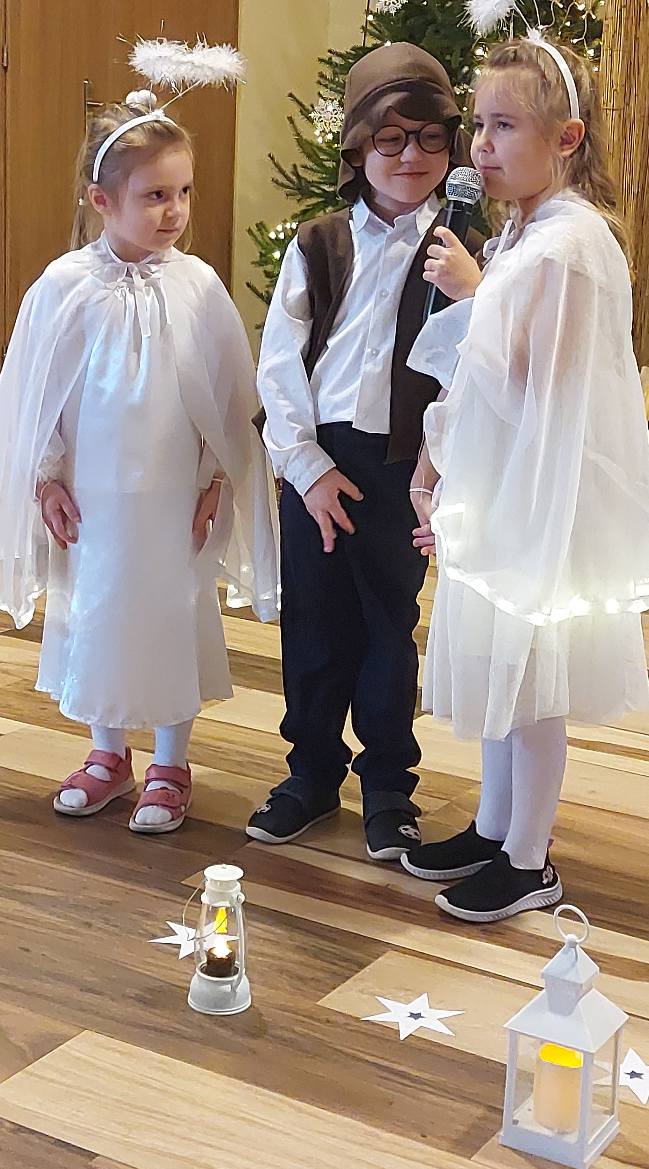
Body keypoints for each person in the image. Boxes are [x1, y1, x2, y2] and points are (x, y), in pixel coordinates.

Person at [401, 35, 649, 920]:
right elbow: (476, 387)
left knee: (532, 676)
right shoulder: (523, 232)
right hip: (504, 485)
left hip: (547, 496)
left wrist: (474, 295)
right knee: (500, 664)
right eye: (479, 124)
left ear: (565, 138)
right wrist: (436, 467)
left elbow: (541, 387)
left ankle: (529, 857)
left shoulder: (569, 246)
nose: (481, 145)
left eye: (503, 126)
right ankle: (493, 824)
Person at [0, 91, 279, 833]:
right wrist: (45, 476)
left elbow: (229, 394)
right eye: (155, 195)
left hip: (173, 492)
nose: (175, 210)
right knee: (96, 606)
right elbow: (34, 391)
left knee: (172, 609)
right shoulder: (63, 287)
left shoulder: (197, 287)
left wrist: (217, 479)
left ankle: (170, 762)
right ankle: (107, 753)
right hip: (93, 490)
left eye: (183, 192)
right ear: (102, 200)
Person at [247, 42, 483, 861]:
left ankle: (388, 783)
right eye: (390, 138)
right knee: (315, 624)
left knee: (389, 625)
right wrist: (305, 468)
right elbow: (280, 362)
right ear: (356, 147)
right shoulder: (319, 242)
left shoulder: (462, 250)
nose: (411, 155)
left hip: (403, 466)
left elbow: (472, 370)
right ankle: (310, 773)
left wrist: (438, 469)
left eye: (430, 137)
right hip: (319, 460)